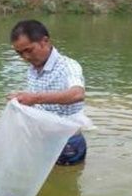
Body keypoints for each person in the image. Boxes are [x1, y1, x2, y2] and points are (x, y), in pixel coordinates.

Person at [7, 20, 87, 166]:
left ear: (45, 41)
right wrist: (22, 100)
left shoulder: (68, 66)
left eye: (29, 50)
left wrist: (34, 98)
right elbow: (38, 103)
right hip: (43, 137)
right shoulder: (33, 69)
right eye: (19, 53)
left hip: (67, 142)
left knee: (65, 184)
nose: (25, 57)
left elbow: (77, 94)